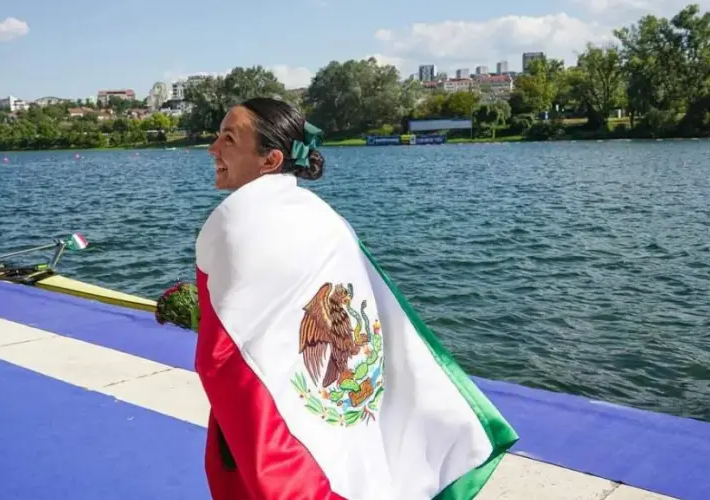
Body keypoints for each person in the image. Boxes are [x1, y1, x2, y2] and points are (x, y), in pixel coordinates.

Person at [193, 97, 517, 500]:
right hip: (333, 391)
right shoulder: (326, 217)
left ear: (271, 159)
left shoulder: (235, 219)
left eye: (228, 139)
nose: (213, 148)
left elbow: (224, 351)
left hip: (276, 402)